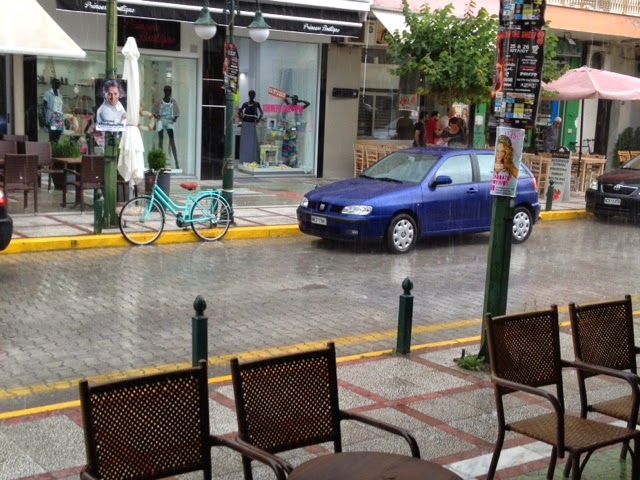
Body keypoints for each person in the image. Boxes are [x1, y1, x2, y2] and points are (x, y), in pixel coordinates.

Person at [154, 85, 181, 169]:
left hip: (169, 121)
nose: (168, 93)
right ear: (164, 92)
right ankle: (160, 161)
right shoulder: (160, 102)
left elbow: (177, 113)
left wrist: (174, 118)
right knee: (160, 141)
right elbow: (154, 111)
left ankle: (176, 162)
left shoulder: (173, 102)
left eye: (169, 91)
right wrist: (157, 116)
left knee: (172, 141)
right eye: (167, 91)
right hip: (161, 120)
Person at [238, 90, 263, 164]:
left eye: (253, 95)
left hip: (252, 124)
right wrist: (242, 118)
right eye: (251, 95)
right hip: (245, 124)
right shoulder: (245, 104)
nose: (252, 96)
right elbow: (239, 111)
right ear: (249, 95)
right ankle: (244, 159)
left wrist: (258, 120)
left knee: (253, 142)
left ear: (254, 96)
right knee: (245, 142)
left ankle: (253, 159)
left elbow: (261, 113)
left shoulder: (256, 104)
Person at [43, 78, 64, 143]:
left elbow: (61, 108)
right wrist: (45, 119)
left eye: (59, 83)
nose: (58, 85)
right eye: (56, 83)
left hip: (59, 117)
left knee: (58, 136)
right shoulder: (48, 93)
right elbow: (44, 106)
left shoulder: (60, 96)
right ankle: (50, 148)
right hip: (52, 117)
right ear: (52, 84)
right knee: (52, 136)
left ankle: (55, 148)